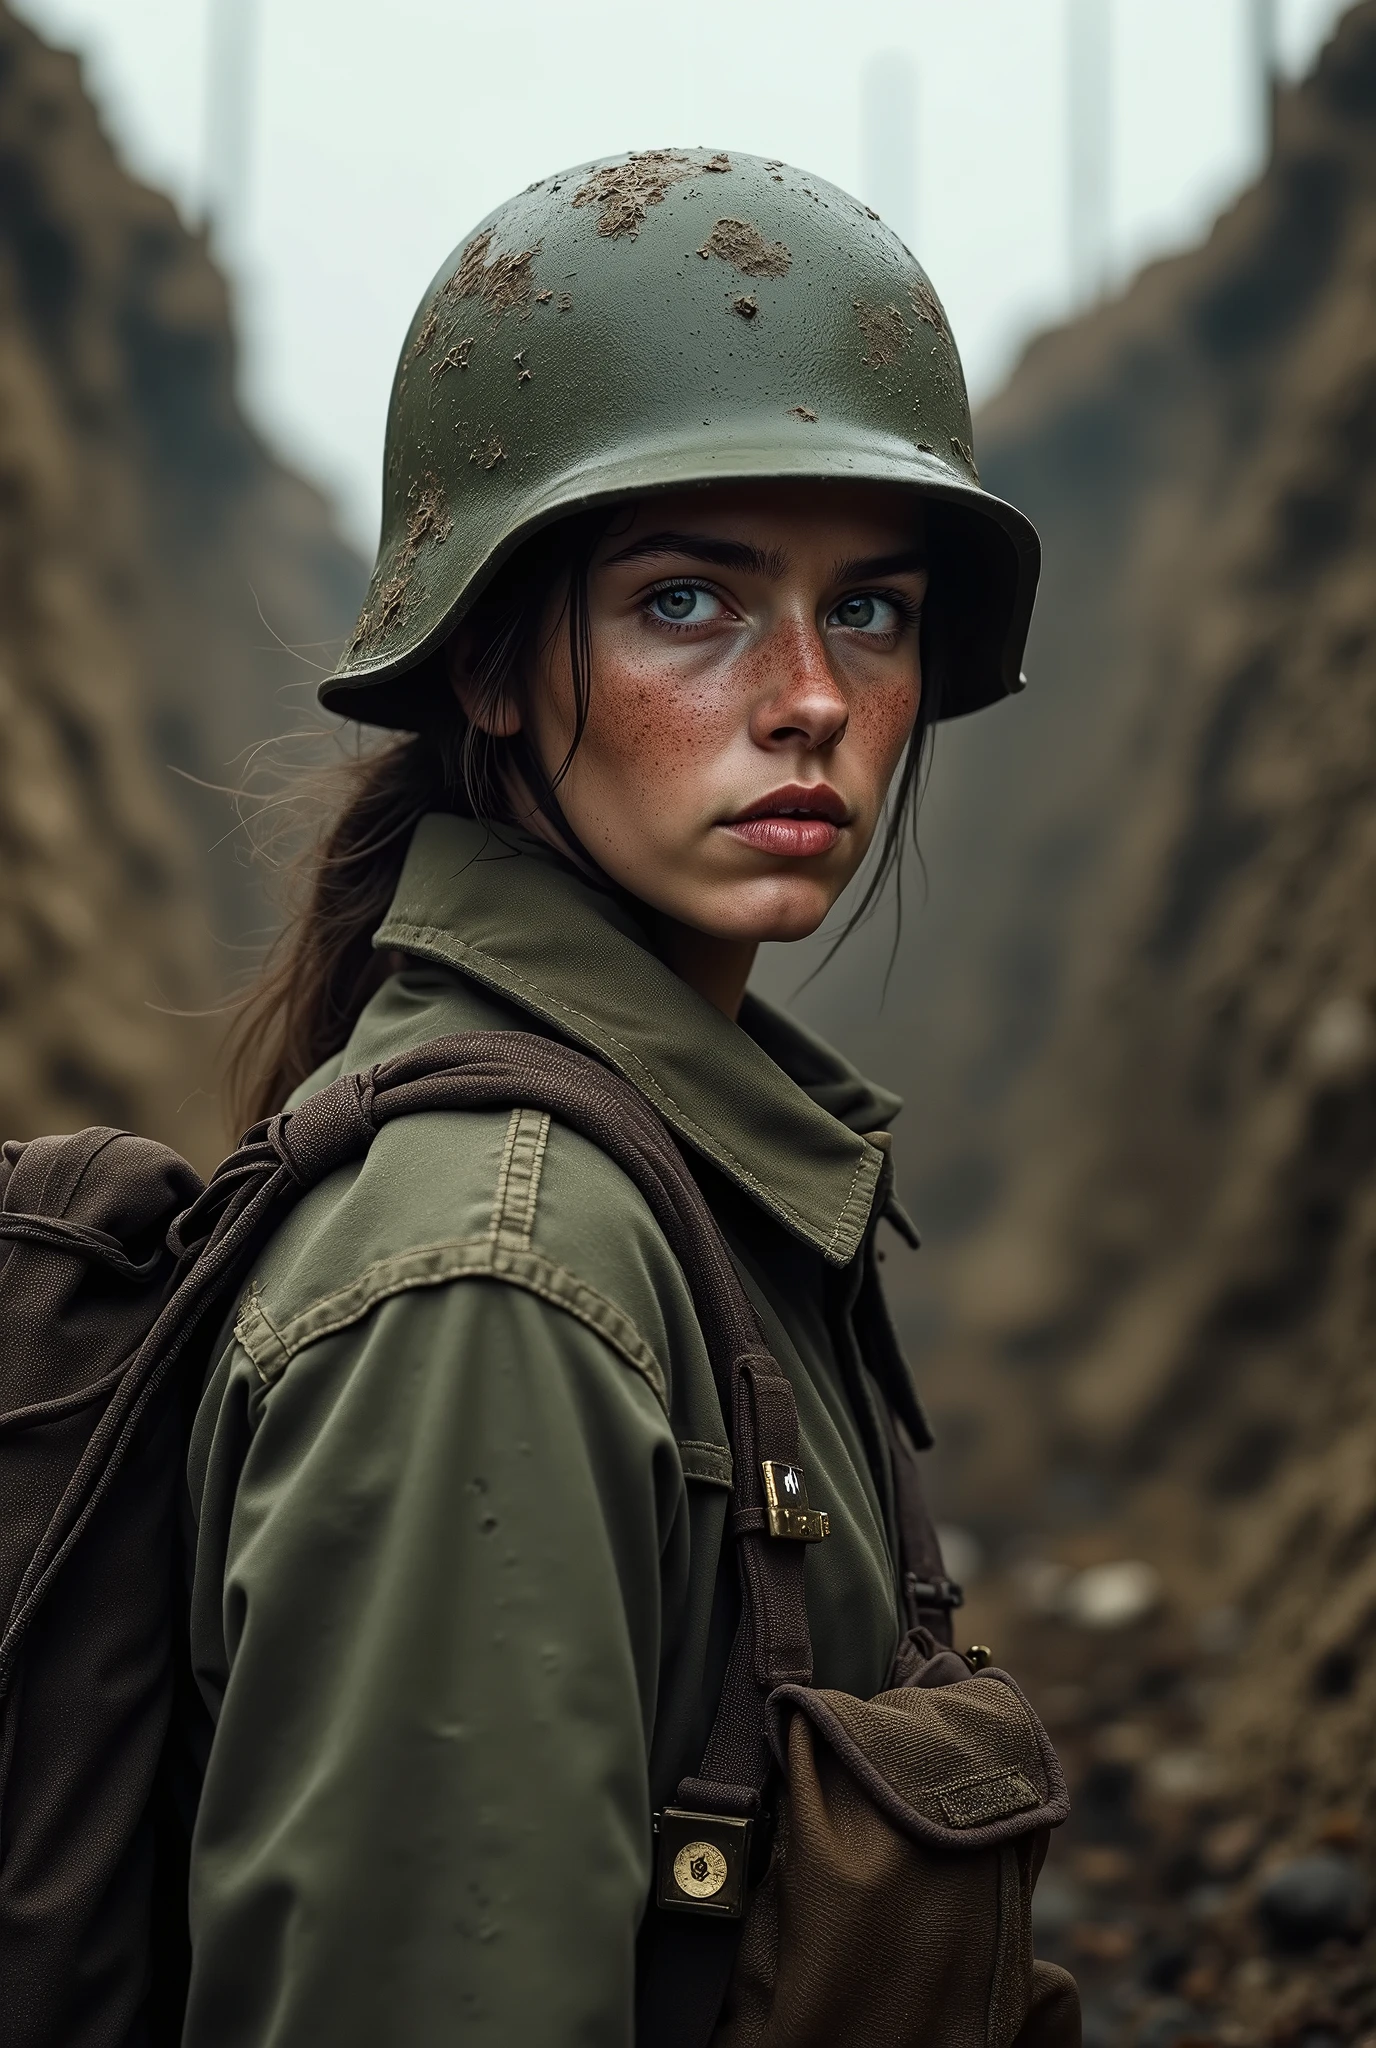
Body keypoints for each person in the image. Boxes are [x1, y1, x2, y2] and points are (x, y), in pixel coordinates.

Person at [183, 148, 1040, 2045]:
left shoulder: (687, 1174)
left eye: (874, 611)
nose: (811, 696)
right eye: (687, 601)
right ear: (489, 660)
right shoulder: (502, 1275)